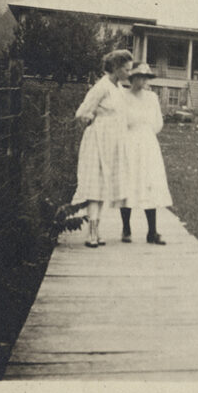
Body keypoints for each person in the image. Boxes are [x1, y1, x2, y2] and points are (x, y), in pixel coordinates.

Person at [72, 49, 133, 248]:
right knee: (94, 186)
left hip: (113, 144)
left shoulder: (119, 89)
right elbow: (81, 112)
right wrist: (96, 119)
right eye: (126, 69)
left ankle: (97, 230)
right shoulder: (101, 87)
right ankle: (91, 232)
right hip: (98, 141)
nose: (129, 73)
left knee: (104, 186)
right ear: (116, 67)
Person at [118, 63, 172, 244]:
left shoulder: (152, 98)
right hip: (129, 142)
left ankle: (152, 232)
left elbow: (158, 123)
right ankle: (126, 228)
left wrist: (146, 134)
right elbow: (120, 120)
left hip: (148, 144)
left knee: (150, 183)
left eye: (145, 78)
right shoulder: (123, 96)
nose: (142, 81)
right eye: (139, 77)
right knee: (128, 182)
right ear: (132, 78)